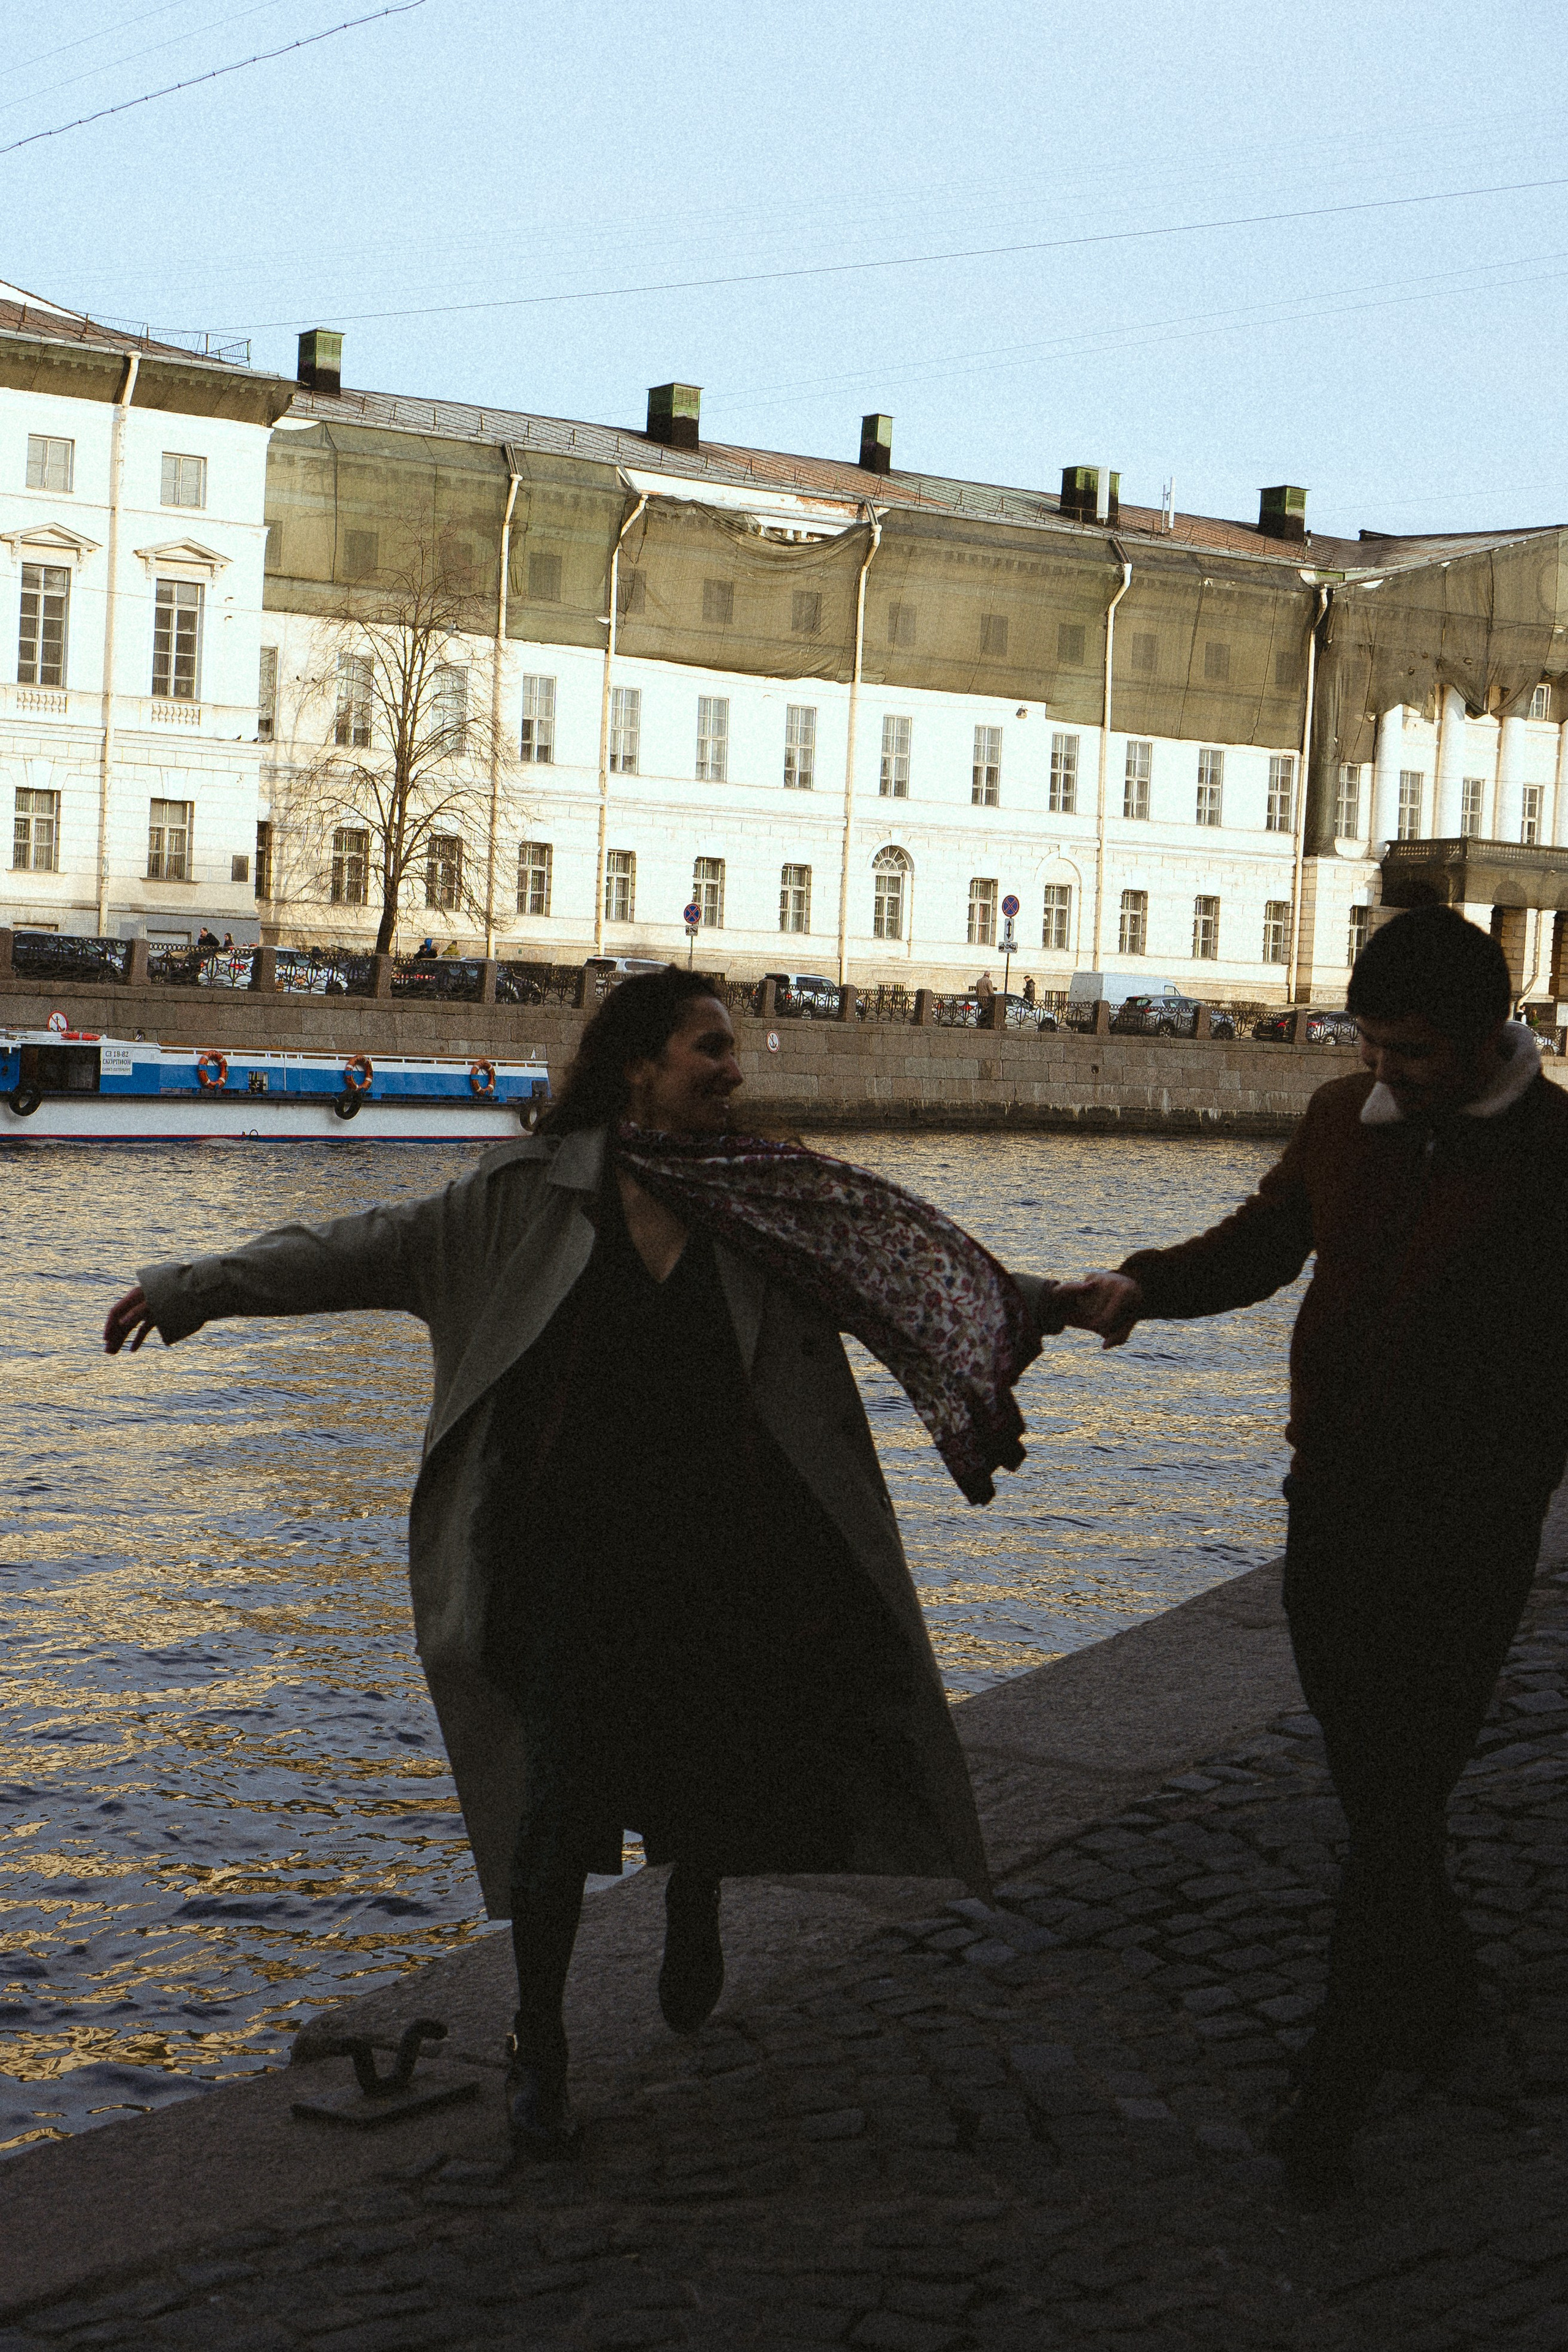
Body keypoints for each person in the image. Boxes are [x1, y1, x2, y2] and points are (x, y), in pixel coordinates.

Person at [104, 967, 1071, 2158]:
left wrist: (1056, 1302)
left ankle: (695, 1894)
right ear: (636, 1066)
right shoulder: (521, 1201)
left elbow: (904, 1273)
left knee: (707, 1772)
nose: (731, 1069)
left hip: (723, 1551)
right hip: (567, 1560)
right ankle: (539, 2046)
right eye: (707, 1047)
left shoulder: (766, 1199)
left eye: (731, 1050)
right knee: (558, 1806)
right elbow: (359, 1249)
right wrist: (191, 1289)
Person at [1063, 906, 1568, 2204]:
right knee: (1373, 1783)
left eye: (1410, 1053)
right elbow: (1261, 1244)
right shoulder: (1344, 1120)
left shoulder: (1559, 1152)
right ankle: (1444, 1994)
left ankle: (1332, 2085)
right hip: (1330, 1503)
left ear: (1480, 1035)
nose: (1384, 1071)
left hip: (1466, 1526)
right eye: (1371, 1046)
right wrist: (1139, 1284)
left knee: (1398, 1788)